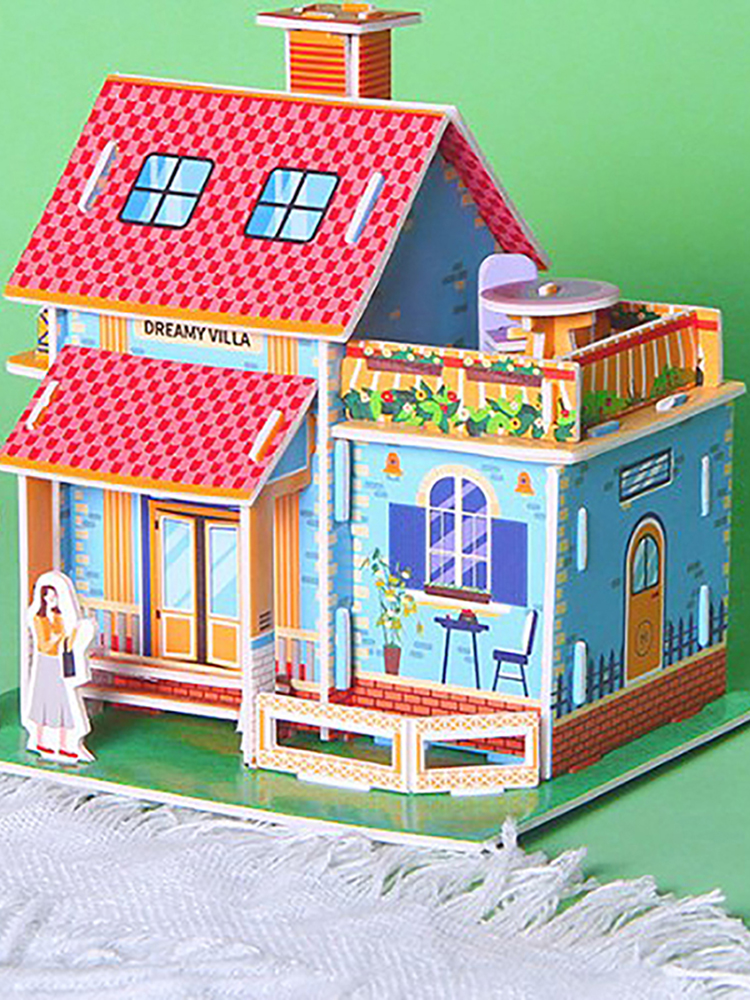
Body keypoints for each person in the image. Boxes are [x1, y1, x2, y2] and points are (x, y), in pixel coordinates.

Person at [25, 571, 95, 764]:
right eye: (48, 596)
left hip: (58, 662)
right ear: (42, 597)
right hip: (45, 662)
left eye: (55, 596)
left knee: (63, 703)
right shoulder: (38, 618)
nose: (52, 600)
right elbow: (45, 643)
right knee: (43, 702)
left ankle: (65, 744)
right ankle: (40, 740)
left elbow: (67, 640)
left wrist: (75, 636)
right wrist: (62, 638)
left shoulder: (59, 616)